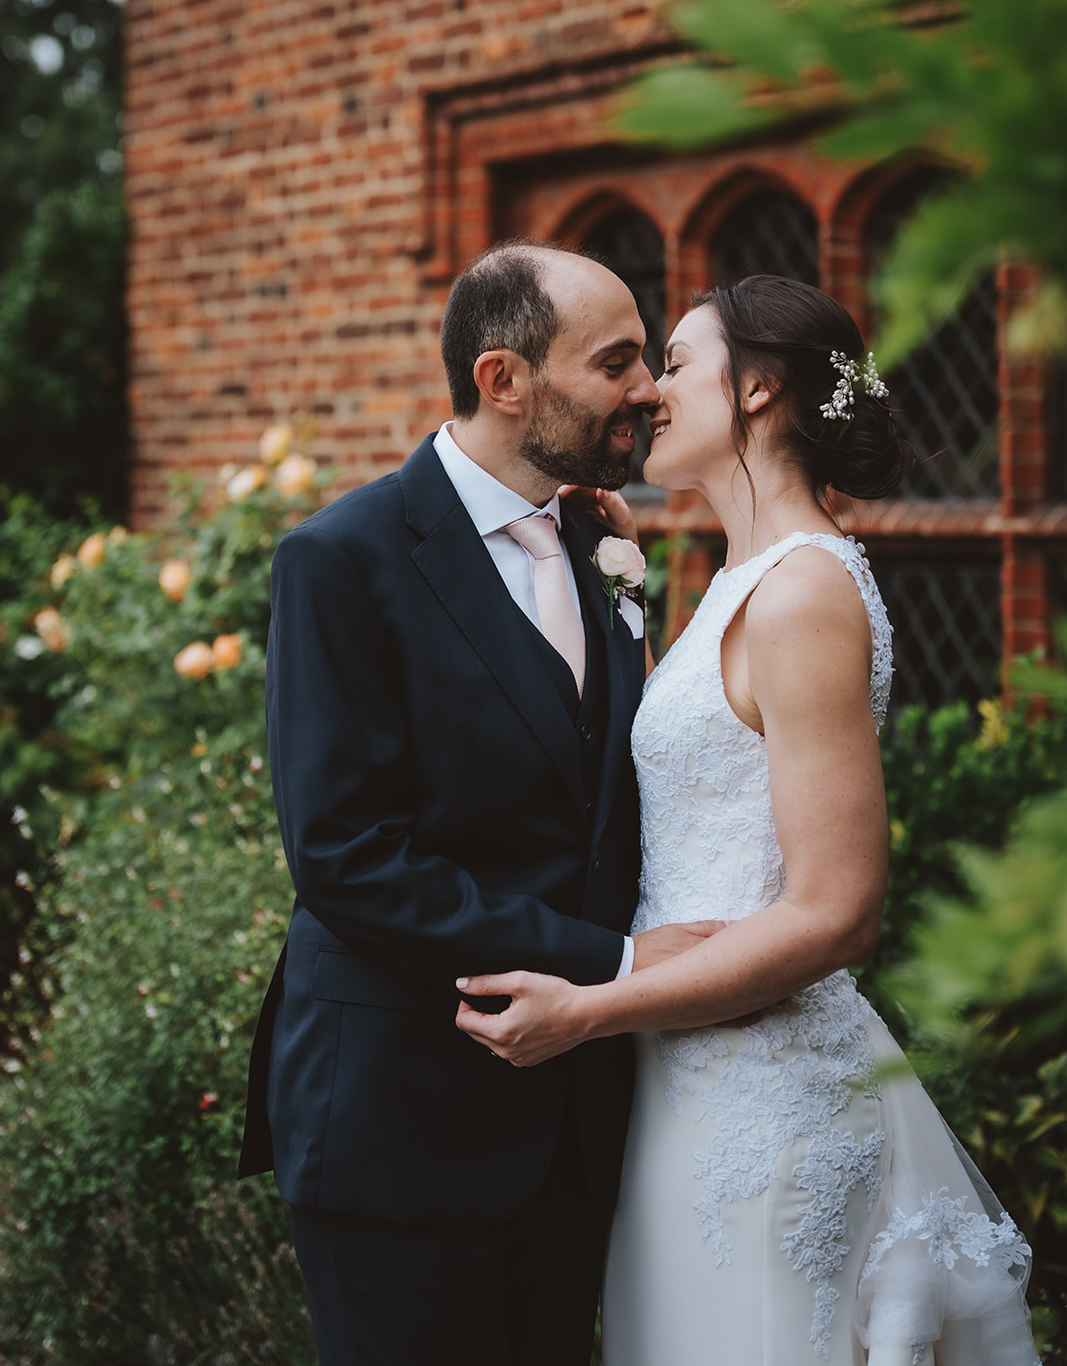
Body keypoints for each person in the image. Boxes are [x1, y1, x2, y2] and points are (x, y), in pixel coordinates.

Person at [456, 275, 1040, 1366]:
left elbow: (832, 913)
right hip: (687, 1081)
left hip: (765, 1103)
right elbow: (690, 772)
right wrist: (615, 578)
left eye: (673, 361)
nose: (648, 390)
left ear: (760, 389)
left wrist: (592, 1007)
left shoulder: (803, 591)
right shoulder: (742, 582)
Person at [237, 242, 718, 1366]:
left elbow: (593, 798)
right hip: (401, 1125)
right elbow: (347, 858)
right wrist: (619, 961)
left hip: (574, 1131)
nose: (647, 389)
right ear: (504, 380)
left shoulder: (600, 542)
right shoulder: (340, 561)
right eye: (617, 361)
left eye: (647, 358)